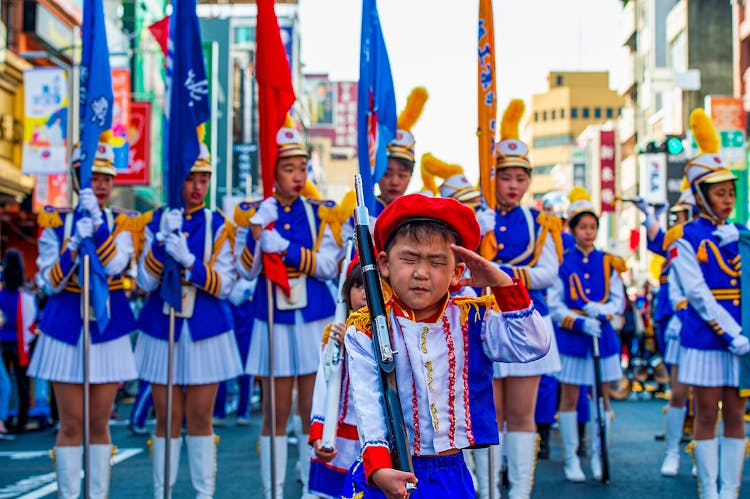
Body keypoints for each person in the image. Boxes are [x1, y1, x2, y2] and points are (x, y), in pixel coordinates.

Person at [343, 193, 550, 499]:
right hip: (388, 469)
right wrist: (379, 468)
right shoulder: (366, 328)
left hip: (452, 472)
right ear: (384, 264)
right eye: (409, 259)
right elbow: (369, 405)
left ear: (456, 272)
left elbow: (533, 345)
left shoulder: (474, 318)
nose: (421, 272)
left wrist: (502, 283)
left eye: (437, 262)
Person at [234, 119, 348, 498]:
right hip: (272, 317)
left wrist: (283, 248)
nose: (298, 176)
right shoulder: (254, 212)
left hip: (313, 318)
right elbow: (244, 270)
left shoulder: (321, 213)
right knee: (275, 412)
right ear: (273, 172)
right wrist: (257, 231)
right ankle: (272, 490)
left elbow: (330, 266)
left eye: (301, 168)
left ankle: (309, 487)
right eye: (288, 168)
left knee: (311, 410)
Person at [29, 137, 140, 498]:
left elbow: (115, 265)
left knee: (98, 423)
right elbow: (48, 282)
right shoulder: (55, 223)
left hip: (107, 326)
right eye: (93, 177)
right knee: (72, 423)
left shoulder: (124, 224)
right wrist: (73, 247)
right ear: (78, 178)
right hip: (65, 326)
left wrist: (98, 225)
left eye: (107, 178)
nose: (102, 184)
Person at [135, 126, 242, 498]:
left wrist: (190, 262)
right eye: (190, 178)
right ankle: (162, 492)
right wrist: (162, 245)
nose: (197, 187)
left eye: (204, 179)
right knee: (166, 417)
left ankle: (203, 494)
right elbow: (143, 283)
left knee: (199, 417)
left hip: (205, 328)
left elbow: (224, 284)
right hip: (160, 324)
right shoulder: (153, 221)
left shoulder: (220, 225)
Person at [477, 99, 563, 498]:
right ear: (492, 176)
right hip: (484, 320)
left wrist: (503, 276)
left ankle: (520, 492)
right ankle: (491, 490)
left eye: (520, 178)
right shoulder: (476, 214)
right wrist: (476, 231)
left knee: (522, 413)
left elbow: (548, 273)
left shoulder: (540, 220)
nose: (513, 185)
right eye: (506, 177)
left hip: (527, 317)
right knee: (489, 411)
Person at [670, 109, 749, 499]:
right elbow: (698, 295)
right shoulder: (684, 237)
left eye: (731, 191)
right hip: (705, 338)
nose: (727, 198)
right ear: (700, 195)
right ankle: (709, 492)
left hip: (741, 340)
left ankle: (730, 492)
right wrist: (732, 333)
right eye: (719, 192)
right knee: (705, 414)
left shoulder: (744, 234)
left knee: (736, 414)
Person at [548, 186, 626, 483]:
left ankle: (598, 453)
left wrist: (603, 311)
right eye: (583, 226)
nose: (589, 231)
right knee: (569, 397)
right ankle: (571, 458)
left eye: (593, 226)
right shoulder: (561, 262)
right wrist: (579, 322)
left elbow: (618, 300)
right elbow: (555, 305)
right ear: (573, 228)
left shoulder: (609, 262)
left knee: (602, 397)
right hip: (573, 338)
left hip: (602, 337)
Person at [635, 185, 697, 477]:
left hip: (707, 322)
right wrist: (648, 216)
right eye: (678, 215)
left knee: (706, 395)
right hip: (677, 322)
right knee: (680, 391)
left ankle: (700, 452)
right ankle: (673, 451)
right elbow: (659, 240)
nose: (679, 220)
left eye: (684, 214)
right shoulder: (677, 240)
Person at [307, 257, 366, 498]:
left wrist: (354, 342)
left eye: (372, 285)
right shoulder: (333, 332)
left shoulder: (391, 330)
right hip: (338, 433)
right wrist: (318, 431)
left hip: (371, 436)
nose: (364, 293)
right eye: (357, 285)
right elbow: (324, 383)